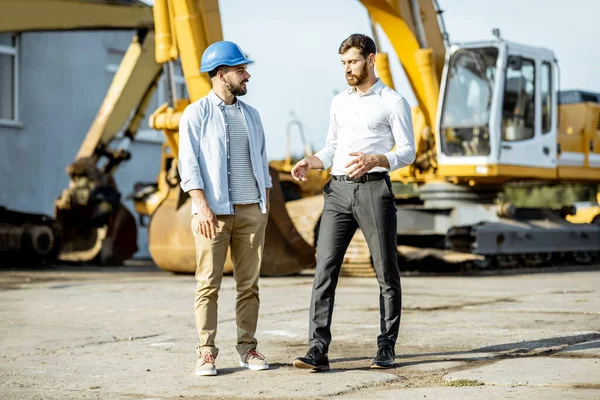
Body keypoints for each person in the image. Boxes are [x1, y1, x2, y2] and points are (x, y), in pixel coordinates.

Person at [291, 33, 416, 371]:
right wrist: (311, 162)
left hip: (375, 190)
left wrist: (377, 159)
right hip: (338, 192)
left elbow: (408, 150)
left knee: (386, 271)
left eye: (353, 62)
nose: (347, 69)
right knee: (324, 270)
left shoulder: (393, 101)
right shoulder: (339, 102)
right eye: (344, 63)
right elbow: (332, 147)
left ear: (371, 59)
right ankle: (317, 349)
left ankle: (386, 347)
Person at [178, 40, 272, 376]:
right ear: (221, 74)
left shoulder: (252, 115)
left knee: (249, 285)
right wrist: (200, 205)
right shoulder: (196, 113)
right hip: (212, 213)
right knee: (209, 284)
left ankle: (248, 349)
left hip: (250, 212)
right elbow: (188, 163)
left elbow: (262, 161)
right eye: (241, 70)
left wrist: (263, 205)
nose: (247, 75)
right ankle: (206, 352)